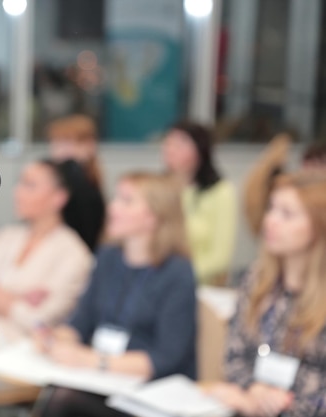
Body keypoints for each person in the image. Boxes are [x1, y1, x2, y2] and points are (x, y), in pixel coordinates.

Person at [0, 159, 96, 417]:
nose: (17, 191)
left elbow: (41, 320)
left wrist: (2, 296)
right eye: (21, 183)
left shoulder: (74, 254)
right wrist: (20, 299)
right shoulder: (8, 236)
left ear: (58, 198)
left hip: (19, 350)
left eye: (30, 185)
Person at [33, 171, 197, 417]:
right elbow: (80, 322)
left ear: (154, 217)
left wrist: (91, 360)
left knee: (62, 401)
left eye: (126, 200)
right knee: (55, 395)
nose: (113, 208)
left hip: (151, 394)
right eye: (116, 198)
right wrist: (54, 338)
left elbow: (166, 358)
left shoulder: (177, 273)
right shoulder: (108, 257)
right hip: (103, 380)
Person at [207, 171, 326, 417]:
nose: (270, 220)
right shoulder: (257, 279)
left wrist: (281, 406)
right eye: (271, 208)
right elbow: (233, 357)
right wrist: (254, 389)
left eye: (287, 214)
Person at [162, 121, 236, 285]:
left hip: (200, 283)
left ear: (200, 150)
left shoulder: (220, 192)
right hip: (159, 280)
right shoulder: (159, 188)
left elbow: (220, 257)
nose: (170, 149)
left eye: (180, 144)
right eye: (168, 143)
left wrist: (178, 276)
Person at [47, 114, 103, 188]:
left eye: (66, 143)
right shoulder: (51, 175)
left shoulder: (86, 177)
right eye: (56, 143)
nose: (58, 149)